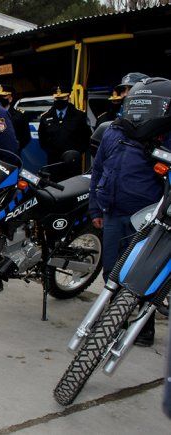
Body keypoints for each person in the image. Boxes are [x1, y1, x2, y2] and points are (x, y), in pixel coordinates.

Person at [89, 78, 170, 348]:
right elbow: (98, 170)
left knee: (142, 272)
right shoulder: (113, 131)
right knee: (112, 270)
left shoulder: (164, 135)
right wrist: (95, 207)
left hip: (146, 217)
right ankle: (115, 323)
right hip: (112, 213)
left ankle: (143, 328)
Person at [38, 86, 91, 180]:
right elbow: (42, 139)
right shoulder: (46, 117)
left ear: (68, 97)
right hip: (54, 163)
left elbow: (86, 138)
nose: (59, 101)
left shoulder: (79, 116)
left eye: (62, 98)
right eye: (57, 98)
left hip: (73, 162)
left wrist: (76, 153)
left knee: (73, 186)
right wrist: (52, 152)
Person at [0, 85, 32, 152]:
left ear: (10, 98)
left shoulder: (20, 115)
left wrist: (17, 148)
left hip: (14, 152)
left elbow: (26, 137)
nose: (0, 99)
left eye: (4, 96)